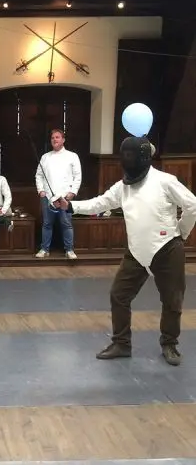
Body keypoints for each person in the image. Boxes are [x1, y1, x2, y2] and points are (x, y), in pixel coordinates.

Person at [57, 136, 196, 366]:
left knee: (172, 300)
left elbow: (192, 204)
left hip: (167, 249)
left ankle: (169, 344)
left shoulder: (165, 181)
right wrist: (71, 205)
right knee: (119, 295)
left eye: (132, 156)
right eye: (126, 156)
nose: (128, 160)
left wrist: (182, 232)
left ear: (143, 157)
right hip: (136, 252)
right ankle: (121, 343)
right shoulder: (123, 187)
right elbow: (101, 203)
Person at [35, 129, 82, 259]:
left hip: (65, 196)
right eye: (52, 138)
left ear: (63, 140)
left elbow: (77, 176)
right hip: (48, 196)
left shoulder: (72, 156)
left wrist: (73, 192)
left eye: (57, 137)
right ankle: (44, 249)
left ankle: (69, 250)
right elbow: (39, 175)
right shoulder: (45, 157)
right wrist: (41, 190)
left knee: (66, 223)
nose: (54, 140)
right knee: (47, 223)